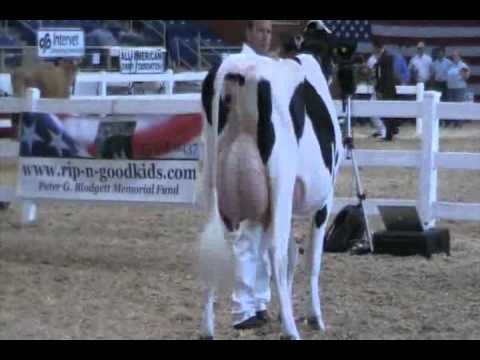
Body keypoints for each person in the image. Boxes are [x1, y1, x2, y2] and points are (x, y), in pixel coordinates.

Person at [231, 20, 273, 331]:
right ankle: (241, 308)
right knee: (248, 232)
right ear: (248, 32)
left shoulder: (271, 65)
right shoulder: (235, 65)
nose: (265, 35)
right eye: (260, 29)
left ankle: (260, 302)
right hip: (246, 153)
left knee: (266, 235)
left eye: (269, 31)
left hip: (270, 156)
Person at [372, 40, 399, 141]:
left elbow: (380, 66)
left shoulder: (387, 57)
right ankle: (391, 131)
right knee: (386, 111)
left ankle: (389, 133)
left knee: (387, 111)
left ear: (378, 47)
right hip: (383, 88)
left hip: (387, 89)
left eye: (375, 48)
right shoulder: (382, 58)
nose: (374, 50)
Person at [446, 50, 471, 128]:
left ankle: (459, 123)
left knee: (459, 106)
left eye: (456, 56)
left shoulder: (463, 66)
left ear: (459, 57)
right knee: (452, 106)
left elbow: (467, 77)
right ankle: (453, 122)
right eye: (453, 56)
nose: (454, 57)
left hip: (459, 88)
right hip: (450, 88)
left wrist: (463, 74)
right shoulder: (451, 65)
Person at [430, 47, 453, 127]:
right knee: (437, 102)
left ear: (444, 53)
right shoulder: (434, 63)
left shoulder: (448, 63)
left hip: (445, 84)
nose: (439, 54)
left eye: (441, 53)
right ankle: (438, 121)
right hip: (437, 84)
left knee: (446, 102)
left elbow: (452, 74)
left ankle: (447, 121)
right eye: (438, 53)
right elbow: (432, 74)